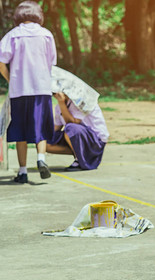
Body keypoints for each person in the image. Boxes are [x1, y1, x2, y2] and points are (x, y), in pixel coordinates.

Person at [0, 1, 57, 183]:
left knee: (20, 130)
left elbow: (1, 62)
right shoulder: (46, 35)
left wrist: (11, 79)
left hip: (19, 90)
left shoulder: (13, 35)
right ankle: (41, 159)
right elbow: (51, 63)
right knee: (40, 126)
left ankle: (22, 172)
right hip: (41, 88)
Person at [47, 92, 109, 171]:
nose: (55, 95)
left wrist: (61, 103)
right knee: (46, 142)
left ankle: (79, 160)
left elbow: (73, 122)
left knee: (70, 128)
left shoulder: (81, 102)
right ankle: (81, 153)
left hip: (96, 140)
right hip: (80, 137)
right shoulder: (58, 107)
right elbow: (56, 128)